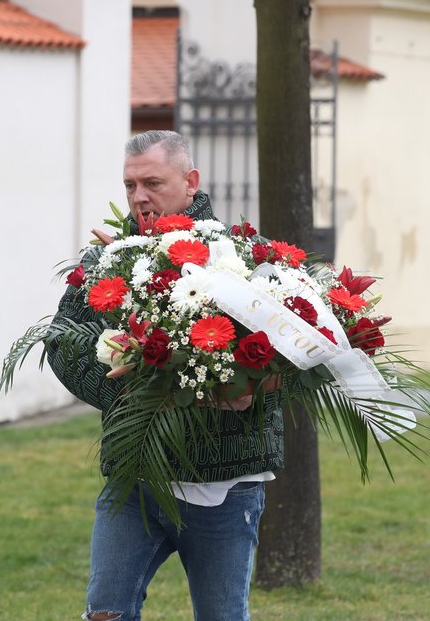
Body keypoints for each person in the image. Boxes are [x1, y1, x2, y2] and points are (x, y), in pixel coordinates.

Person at [47, 130, 284, 621]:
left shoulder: (243, 256)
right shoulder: (110, 258)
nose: (139, 197)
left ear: (190, 181)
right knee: (105, 614)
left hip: (225, 482)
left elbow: (283, 356)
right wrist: (130, 391)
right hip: (135, 473)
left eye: (152, 182)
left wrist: (241, 387)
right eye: (130, 185)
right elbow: (61, 341)